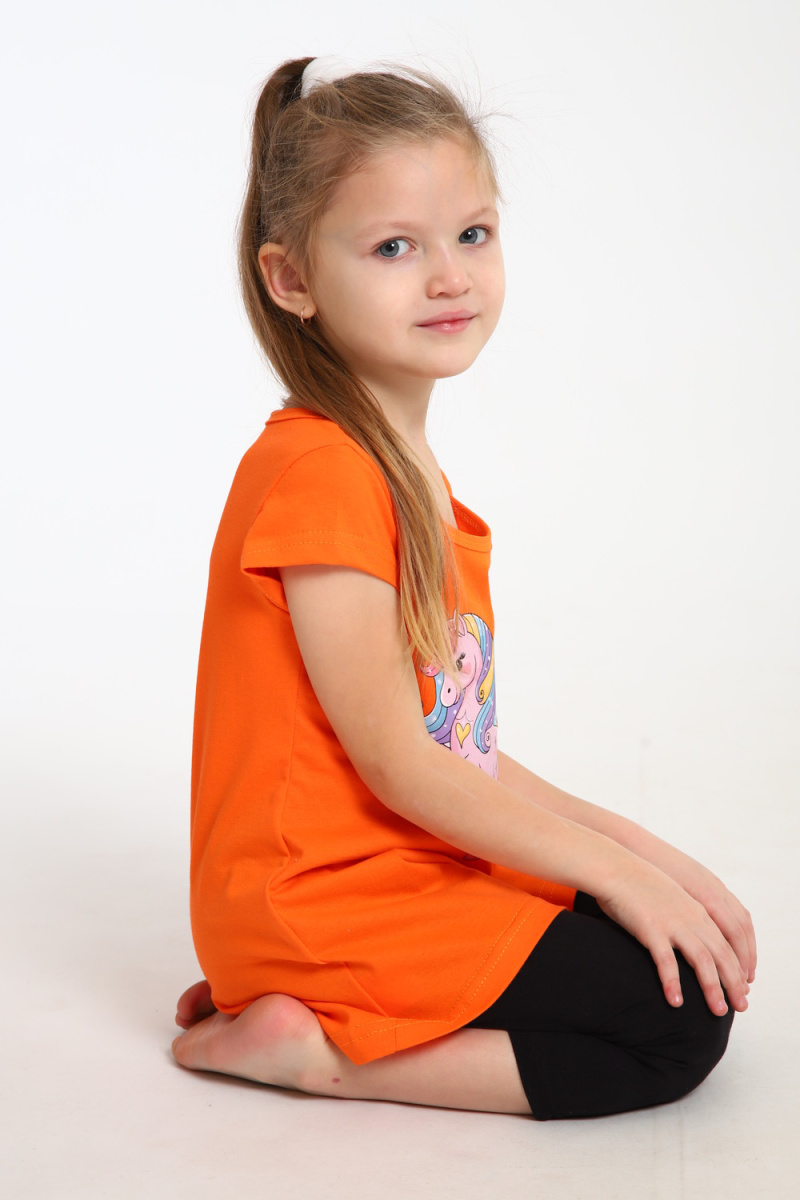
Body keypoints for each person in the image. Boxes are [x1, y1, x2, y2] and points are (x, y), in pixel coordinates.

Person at [172, 55, 756, 1120]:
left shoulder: (394, 473)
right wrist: (617, 876)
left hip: (394, 867)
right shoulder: (321, 474)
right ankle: (318, 1055)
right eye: (395, 247)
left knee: (668, 948)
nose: (448, 276)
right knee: (674, 1025)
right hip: (321, 903)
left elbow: (454, 748)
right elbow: (401, 765)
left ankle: (322, 1013)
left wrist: (641, 855)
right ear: (292, 280)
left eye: (472, 235)